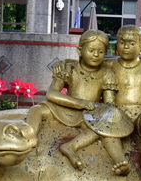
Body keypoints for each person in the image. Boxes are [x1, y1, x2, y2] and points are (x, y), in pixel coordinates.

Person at [59, 25, 141, 181]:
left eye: (132, 43)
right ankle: (118, 159)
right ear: (116, 45)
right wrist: (64, 63)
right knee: (106, 129)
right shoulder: (109, 65)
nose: (126, 46)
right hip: (116, 113)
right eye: (122, 42)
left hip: (140, 114)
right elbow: (85, 64)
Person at [25, 30, 117, 169]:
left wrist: (100, 108)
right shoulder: (69, 68)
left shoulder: (107, 73)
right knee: (36, 110)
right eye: (91, 50)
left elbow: (110, 104)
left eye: (101, 52)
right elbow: (51, 94)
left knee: (100, 128)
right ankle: (28, 140)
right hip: (66, 108)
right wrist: (80, 103)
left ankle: (71, 146)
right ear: (80, 50)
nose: (96, 55)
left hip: (88, 114)